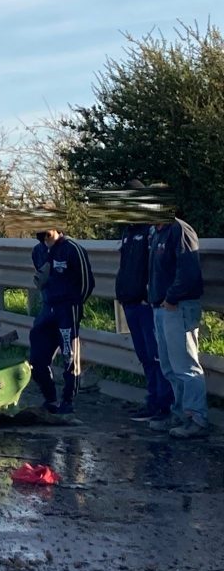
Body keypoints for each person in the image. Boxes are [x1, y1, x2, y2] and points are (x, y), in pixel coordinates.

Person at [115, 180, 173, 421]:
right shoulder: (128, 232)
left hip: (145, 303)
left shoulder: (150, 231)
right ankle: (152, 400)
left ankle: (163, 403)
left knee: (155, 355)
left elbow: (157, 268)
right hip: (129, 302)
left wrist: (149, 296)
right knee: (144, 356)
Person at [147, 215, 209, 439]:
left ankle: (197, 418)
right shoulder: (157, 232)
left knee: (185, 366)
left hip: (178, 307)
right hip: (162, 307)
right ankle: (181, 413)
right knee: (170, 367)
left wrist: (171, 297)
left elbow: (188, 271)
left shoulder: (179, 230)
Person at [29, 227, 95, 414]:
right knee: (37, 355)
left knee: (69, 355)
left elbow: (87, 282)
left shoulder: (72, 249)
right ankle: (50, 398)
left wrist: (73, 303)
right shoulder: (38, 250)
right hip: (47, 307)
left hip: (68, 309)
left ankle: (68, 400)